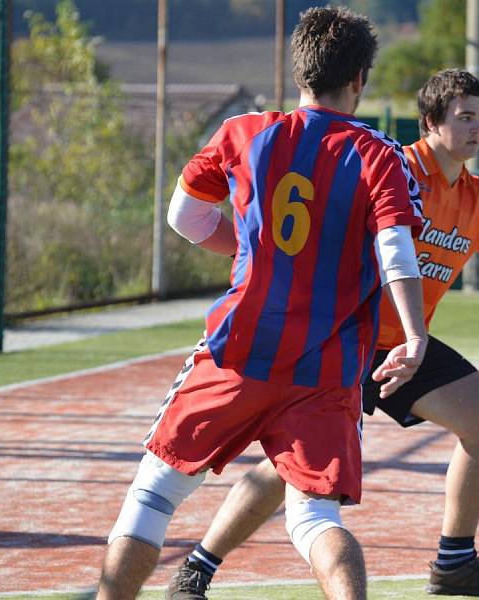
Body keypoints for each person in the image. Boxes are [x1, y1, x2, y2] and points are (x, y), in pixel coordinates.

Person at [164, 69, 479, 599]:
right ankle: (197, 569)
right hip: (341, 339)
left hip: (402, 349)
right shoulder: (390, 167)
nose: (476, 129)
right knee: (291, 469)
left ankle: (455, 562)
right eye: (464, 117)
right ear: (430, 122)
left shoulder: (477, 199)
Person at [95, 7, 428, 600]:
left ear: (298, 69)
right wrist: (414, 334)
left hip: (238, 350)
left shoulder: (245, 132)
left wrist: (248, 246)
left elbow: (184, 216)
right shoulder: (380, 155)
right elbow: (396, 249)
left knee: (154, 493)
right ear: (359, 79)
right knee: (316, 521)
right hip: (325, 368)